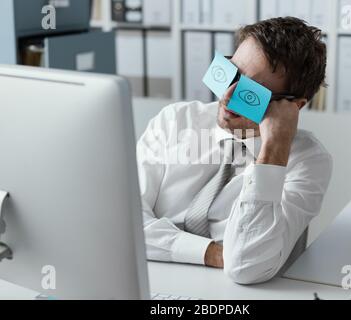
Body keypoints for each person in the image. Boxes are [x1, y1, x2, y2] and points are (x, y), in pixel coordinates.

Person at [137, 17, 332, 284]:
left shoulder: (307, 162)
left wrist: (273, 152)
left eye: (251, 93)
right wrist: (211, 253)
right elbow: (123, 224)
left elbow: (246, 266)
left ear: (293, 107)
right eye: (231, 73)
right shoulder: (175, 121)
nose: (227, 96)